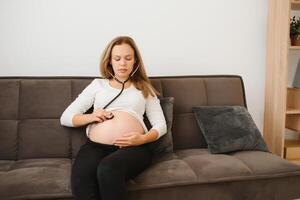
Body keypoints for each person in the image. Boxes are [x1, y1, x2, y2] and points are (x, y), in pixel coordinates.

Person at [60, 36, 167, 200]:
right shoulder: (97, 85)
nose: (122, 63)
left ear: (135, 61)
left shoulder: (144, 88)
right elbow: (66, 117)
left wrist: (143, 139)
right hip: (95, 147)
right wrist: (92, 116)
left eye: (128, 58)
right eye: (117, 58)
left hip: (134, 148)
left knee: (108, 169)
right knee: (81, 178)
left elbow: (160, 125)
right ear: (109, 61)